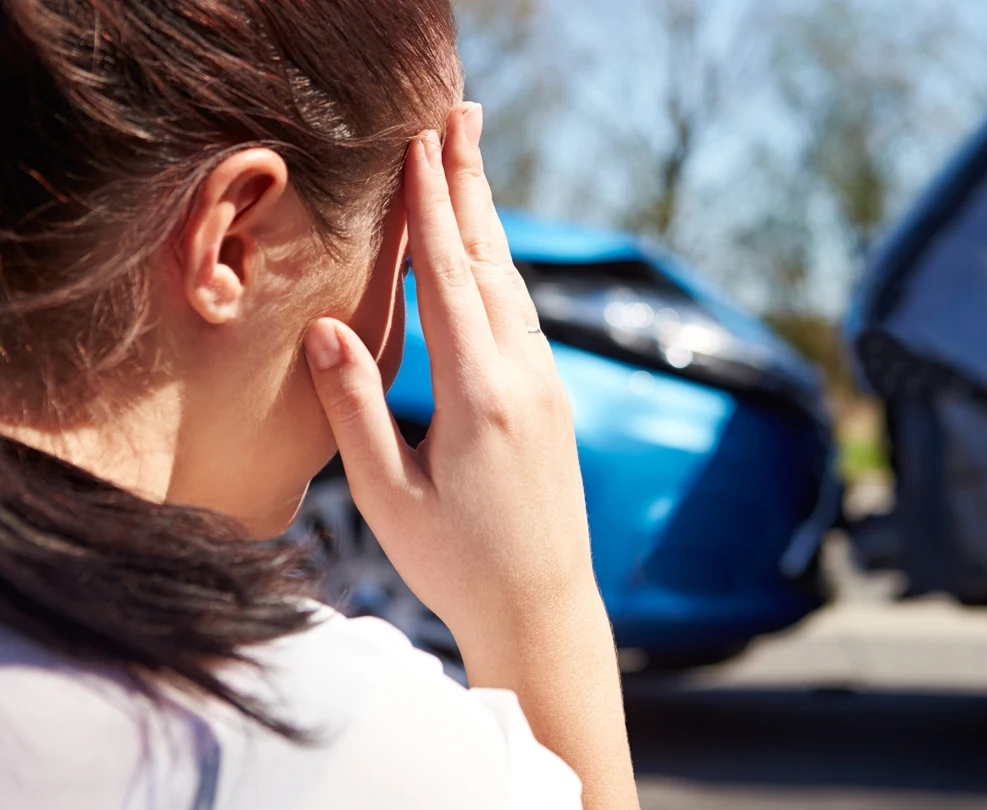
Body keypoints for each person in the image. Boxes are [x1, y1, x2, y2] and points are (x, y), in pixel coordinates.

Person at [0, 1, 641, 808]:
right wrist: (544, 610)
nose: (396, 349)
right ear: (235, 244)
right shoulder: (317, 736)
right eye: (405, 269)